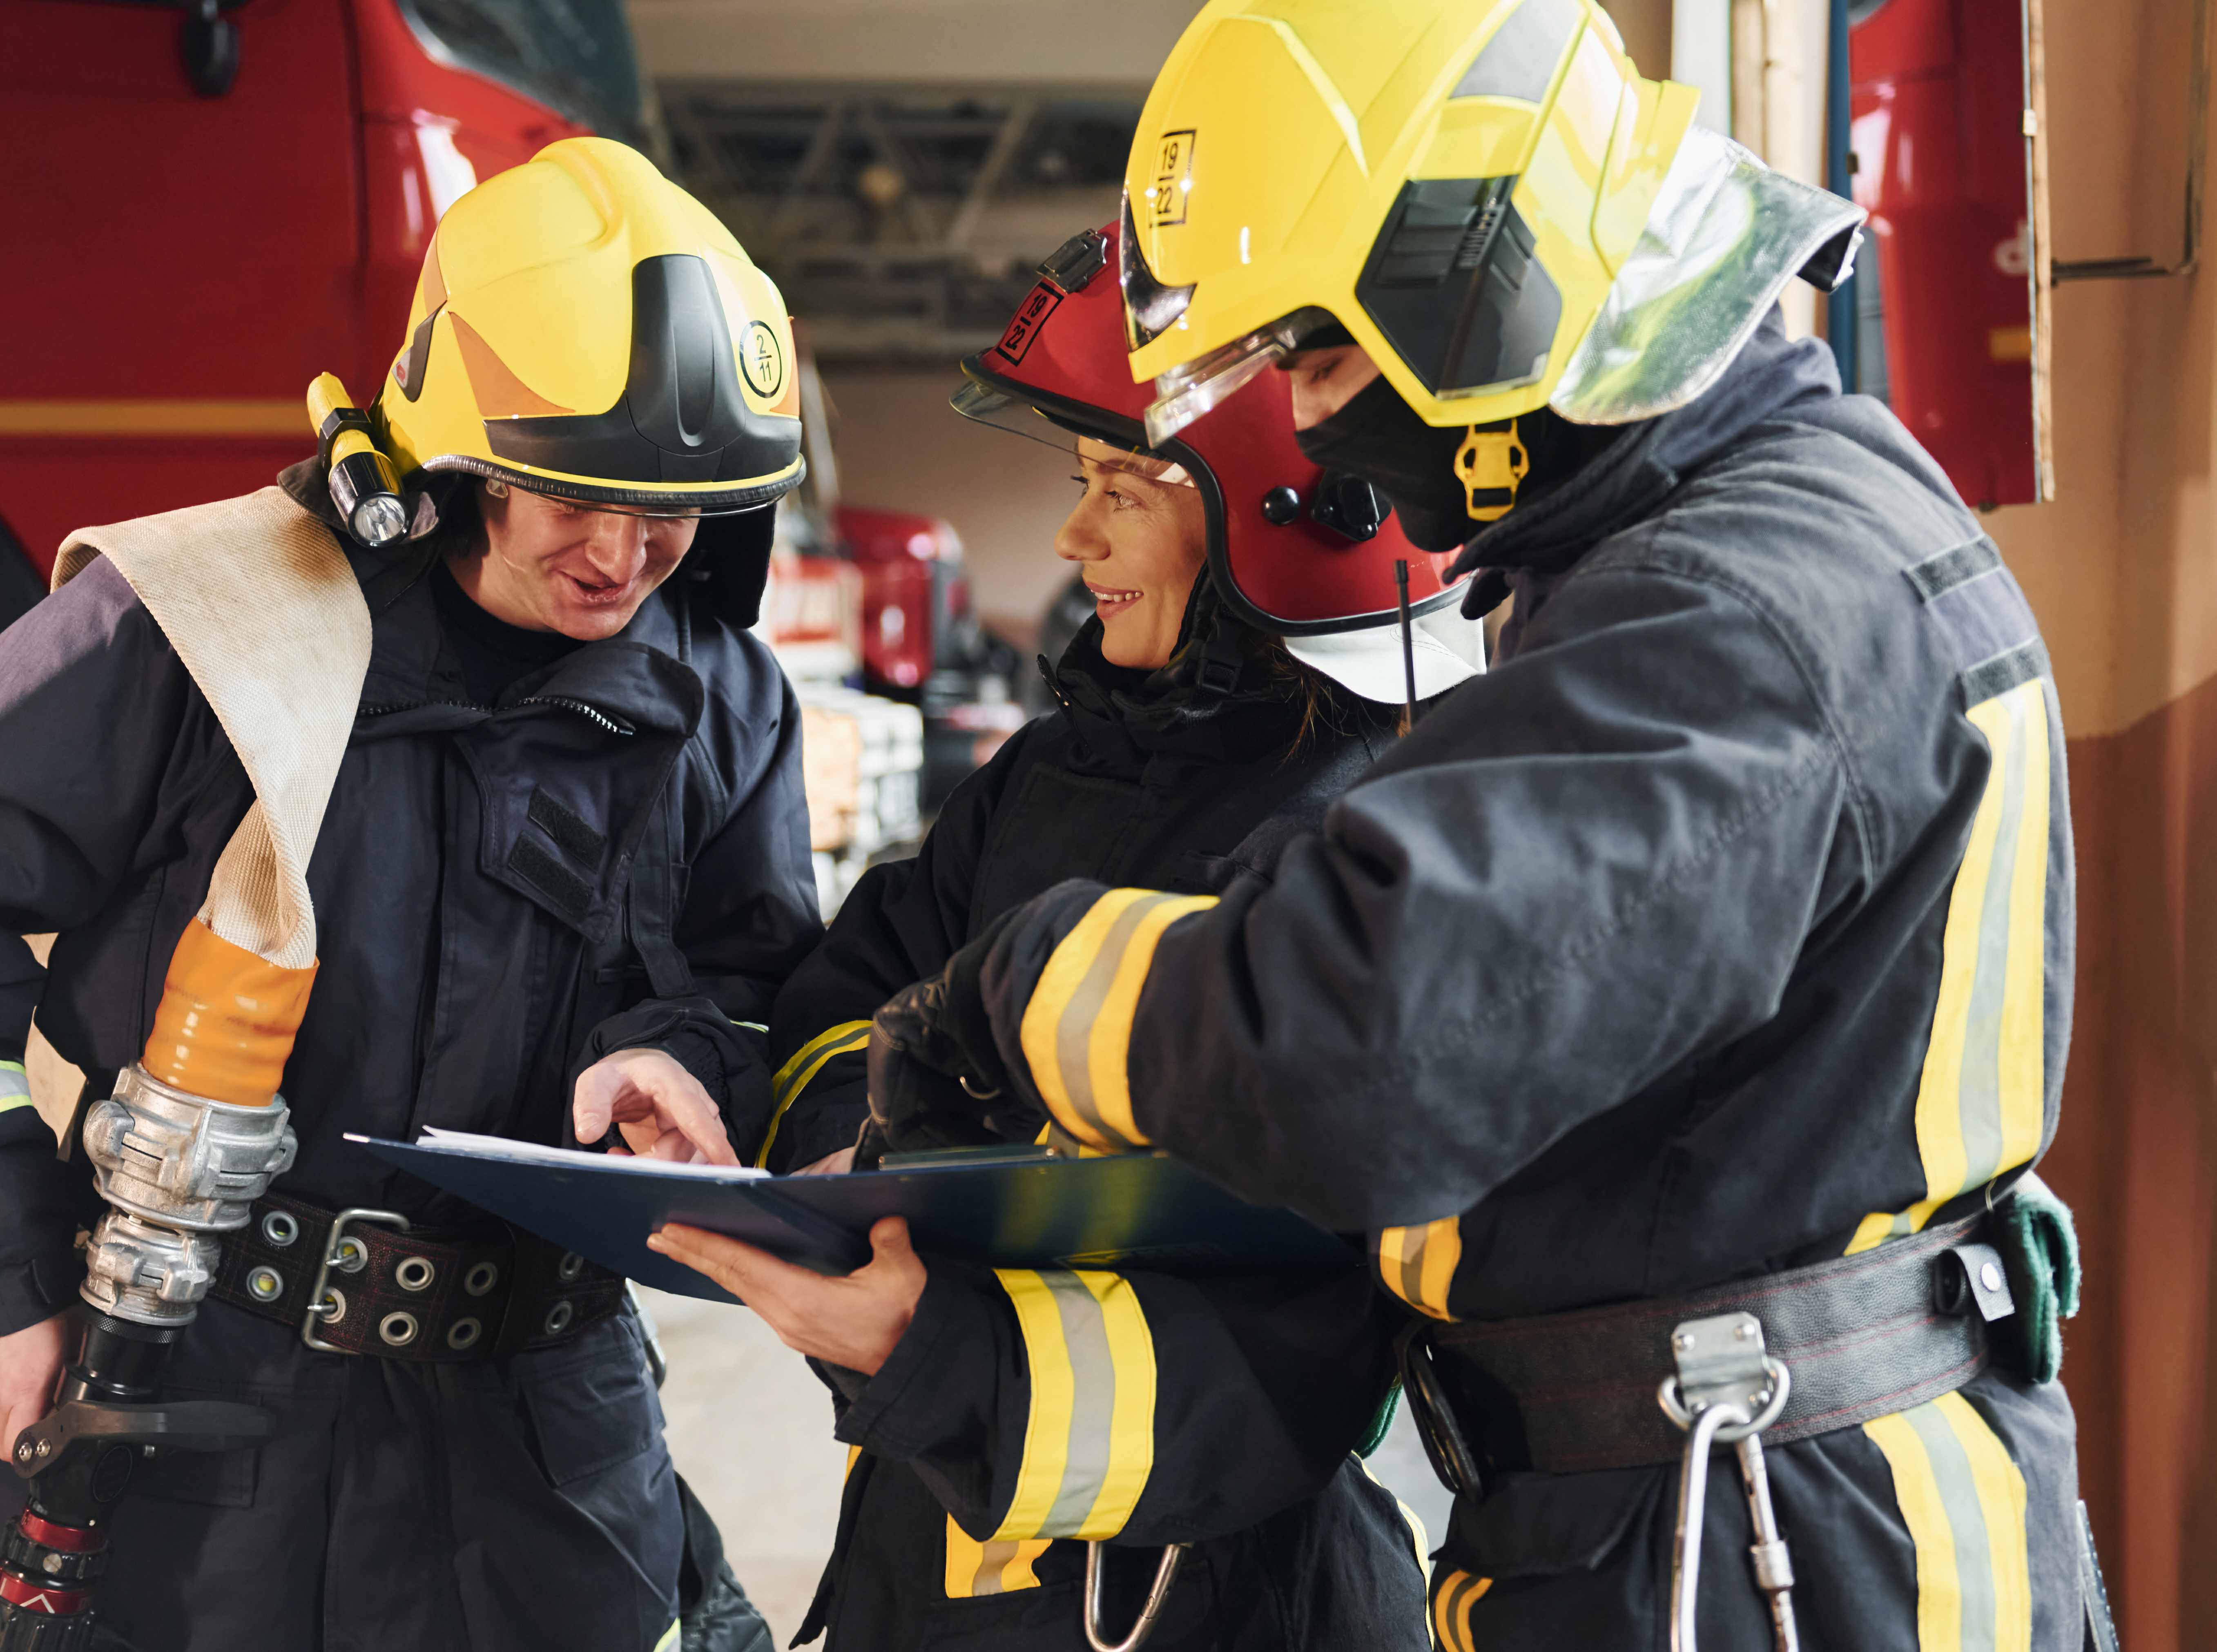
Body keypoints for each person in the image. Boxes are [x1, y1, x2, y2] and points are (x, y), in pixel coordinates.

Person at [854, 4, 2100, 1650]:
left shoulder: (1728, 613)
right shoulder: (1747, 541)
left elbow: (1355, 1046)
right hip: (1712, 1515)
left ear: (1476, 276)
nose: (1305, 430)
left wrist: (1018, 985)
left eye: (1311, 357)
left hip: (1767, 1554)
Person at [0, 139, 821, 1652]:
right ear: (452, 454)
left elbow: (760, 984)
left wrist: (693, 1054)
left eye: (674, 509)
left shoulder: (722, 700)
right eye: (570, 493)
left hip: (550, 1436)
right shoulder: (205, 623)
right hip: (193, 1405)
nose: (621, 555)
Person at [648, 224, 1478, 1652]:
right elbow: (846, 999)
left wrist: (936, 1350)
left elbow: (1304, 1339)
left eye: (1122, 488)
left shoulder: (1374, 847)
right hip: (928, 1557)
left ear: (1286, 511)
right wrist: (855, 1157)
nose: (1072, 538)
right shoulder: (1053, 774)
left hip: (1205, 1604)